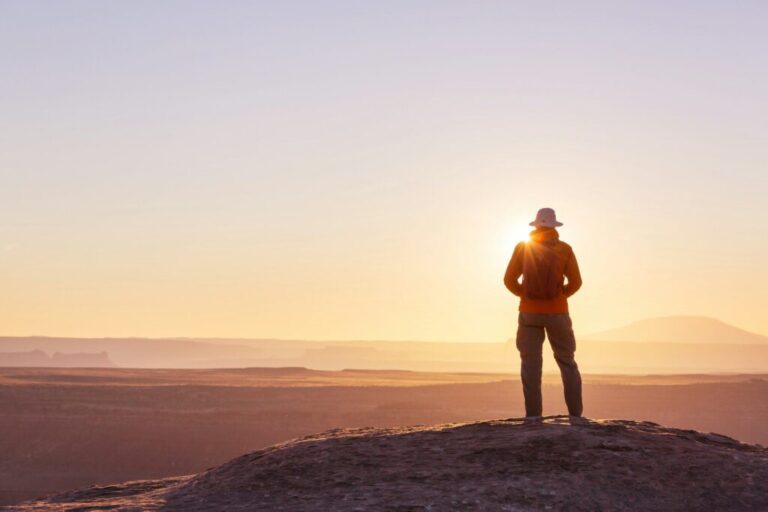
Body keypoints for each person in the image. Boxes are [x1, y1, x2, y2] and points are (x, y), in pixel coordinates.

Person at [503, 207, 583, 418]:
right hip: (558, 313)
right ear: (554, 226)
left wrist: (526, 296)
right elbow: (576, 282)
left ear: (536, 225)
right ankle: (576, 417)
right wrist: (559, 297)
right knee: (567, 363)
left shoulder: (523, 247)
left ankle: (533, 418)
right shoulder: (565, 249)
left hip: (529, 314)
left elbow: (509, 280)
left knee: (530, 366)